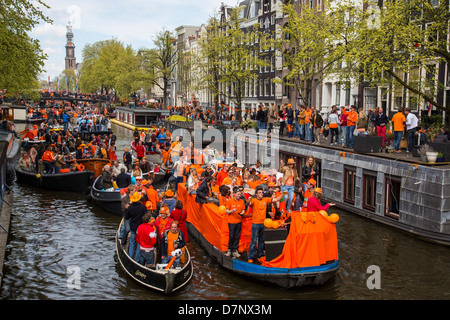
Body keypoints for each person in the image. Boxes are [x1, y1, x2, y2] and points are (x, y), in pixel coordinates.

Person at [246, 186, 283, 263]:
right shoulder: (254, 200)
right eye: (259, 193)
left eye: (262, 192)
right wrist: (249, 200)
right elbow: (248, 204)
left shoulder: (265, 199)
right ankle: (251, 257)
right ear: (256, 194)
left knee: (261, 241)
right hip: (256, 224)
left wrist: (282, 194)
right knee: (253, 241)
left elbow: (276, 199)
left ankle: (260, 255)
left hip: (263, 224)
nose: (261, 194)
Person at [124, 191, 148, 261]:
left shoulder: (130, 208)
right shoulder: (143, 207)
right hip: (140, 228)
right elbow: (146, 216)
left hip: (133, 227)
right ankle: (137, 260)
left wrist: (126, 209)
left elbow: (127, 217)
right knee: (139, 245)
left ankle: (130, 258)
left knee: (132, 243)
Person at [225, 186, 246, 258]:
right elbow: (226, 211)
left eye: (240, 194)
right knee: (231, 236)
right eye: (238, 194)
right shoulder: (230, 201)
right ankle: (229, 250)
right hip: (231, 222)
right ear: (234, 194)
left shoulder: (242, 201)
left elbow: (243, 209)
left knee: (237, 236)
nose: (239, 196)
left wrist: (242, 213)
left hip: (239, 221)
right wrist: (232, 211)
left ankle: (235, 250)